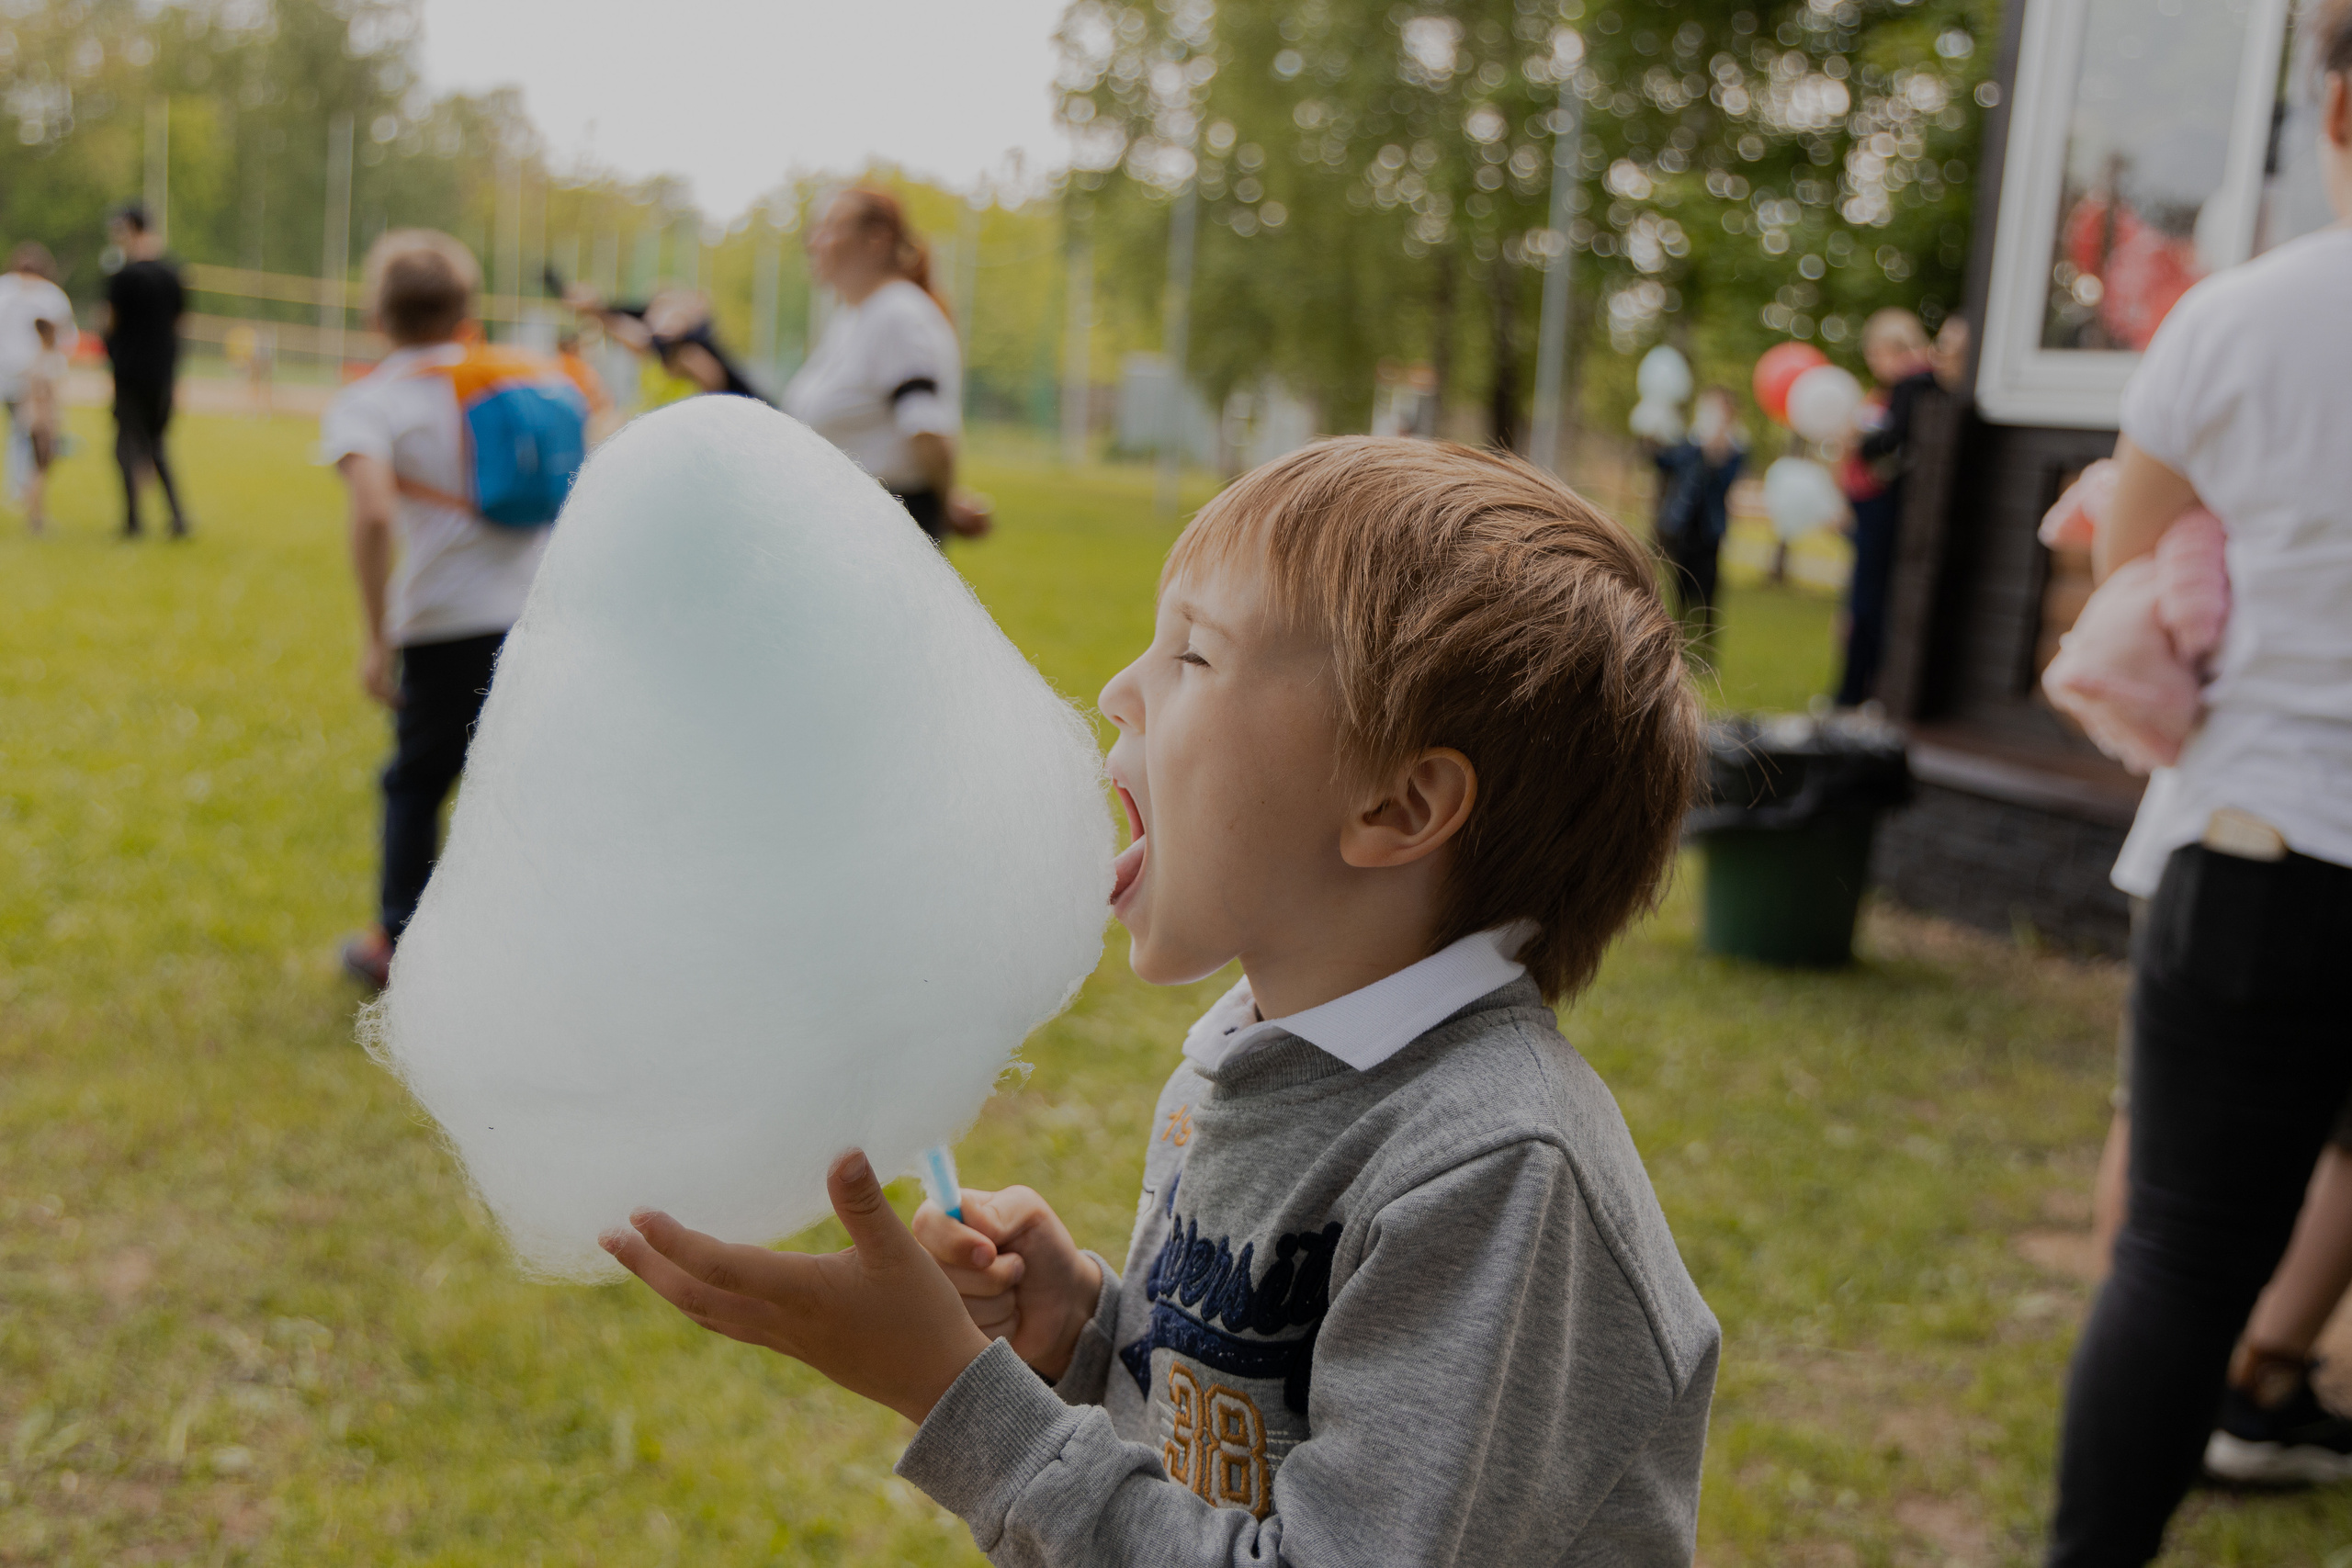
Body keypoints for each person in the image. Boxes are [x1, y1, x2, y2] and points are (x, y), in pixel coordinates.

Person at [600, 437, 1720, 1563]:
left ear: (1398, 804)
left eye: (1192, 655)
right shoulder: (1251, 1060)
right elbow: (1235, 1436)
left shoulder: (1492, 1170)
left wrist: (956, 1394)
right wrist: (1088, 1328)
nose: (1117, 688)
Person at [2047, 5, 2352, 1557]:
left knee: (2173, 1260)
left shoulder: (2238, 319)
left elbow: (2131, 557)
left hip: (2266, 845)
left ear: (2337, 118)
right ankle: (2285, 1386)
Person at [322, 231, 556, 990]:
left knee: (416, 783)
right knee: (524, 781)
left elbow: (376, 513)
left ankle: (399, 943)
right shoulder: (513, 382)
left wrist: (374, 632)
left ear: (376, 313)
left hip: (445, 621)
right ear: (467, 311)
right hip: (537, 615)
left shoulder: (373, 400)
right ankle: (536, 937)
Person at [783, 187, 989, 547]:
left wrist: (946, 500)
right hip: (850, 525)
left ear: (876, 240)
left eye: (831, 227)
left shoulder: (898, 315)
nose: (814, 241)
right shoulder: (855, 317)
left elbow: (926, 428)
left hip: (884, 533)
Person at [1832, 309, 1936, 708]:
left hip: (1883, 510)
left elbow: (1890, 445)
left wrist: (1858, 441)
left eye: (1876, 353)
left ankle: (1853, 694)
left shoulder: (1912, 385)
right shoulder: (1916, 386)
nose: (1875, 364)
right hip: (1882, 509)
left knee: (1867, 602)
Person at [100, 203, 189, 540]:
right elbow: (180, 324)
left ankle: (133, 522)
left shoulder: (122, 277)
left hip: (129, 373)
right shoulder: (173, 274)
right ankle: (179, 518)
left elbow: (109, 322)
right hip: (163, 373)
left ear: (129, 229)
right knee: (157, 445)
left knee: (125, 444)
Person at [1650, 386, 1746, 646]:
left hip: (1710, 530)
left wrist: (1715, 449)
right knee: (1679, 590)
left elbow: (1725, 482)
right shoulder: (1689, 443)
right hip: (1683, 526)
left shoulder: (1735, 449)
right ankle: (1676, 644)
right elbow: (1664, 463)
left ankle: (1706, 648)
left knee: (1708, 592)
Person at [564, 284, 767, 402]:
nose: (664, 319)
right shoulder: (655, 351)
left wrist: (597, 311)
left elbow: (716, 383)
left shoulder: (690, 353)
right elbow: (631, 335)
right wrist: (597, 311)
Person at [0, 242, 76, 518]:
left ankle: (19, 489)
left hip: (6, 372)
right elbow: (67, 340)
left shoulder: (4, 288)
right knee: (25, 438)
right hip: (33, 377)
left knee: (18, 434)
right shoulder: (51, 295)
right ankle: (21, 490)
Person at [18, 318, 66, 534]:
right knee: (39, 470)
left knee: (37, 468)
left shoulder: (38, 358)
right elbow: (42, 395)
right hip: (42, 423)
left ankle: (36, 515)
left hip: (34, 421)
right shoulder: (48, 361)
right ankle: (36, 518)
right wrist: (50, 423)